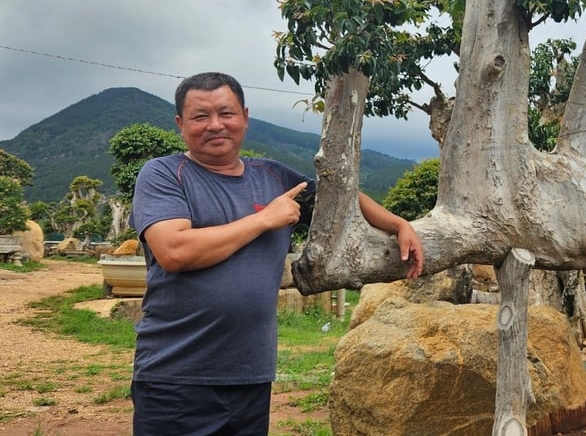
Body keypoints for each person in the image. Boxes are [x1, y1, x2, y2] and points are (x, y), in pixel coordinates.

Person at [130, 72, 423, 435]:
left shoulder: (272, 176)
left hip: (250, 376)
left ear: (246, 117)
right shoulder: (163, 174)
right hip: (176, 377)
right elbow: (174, 251)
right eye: (200, 116)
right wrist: (264, 219)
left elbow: (341, 198)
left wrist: (399, 224)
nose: (216, 125)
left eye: (227, 113)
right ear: (180, 124)